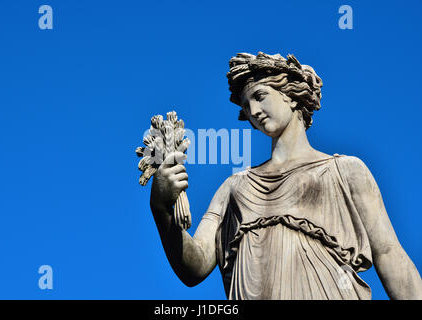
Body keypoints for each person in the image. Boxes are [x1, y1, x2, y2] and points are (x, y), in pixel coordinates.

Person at [149, 52, 422, 299]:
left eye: (259, 96)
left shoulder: (346, 171)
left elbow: (388, 254)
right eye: (246, 106)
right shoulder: (235, 187)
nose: (253, 111)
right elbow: (194, 267)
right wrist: (161, 208)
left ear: (290, 95)